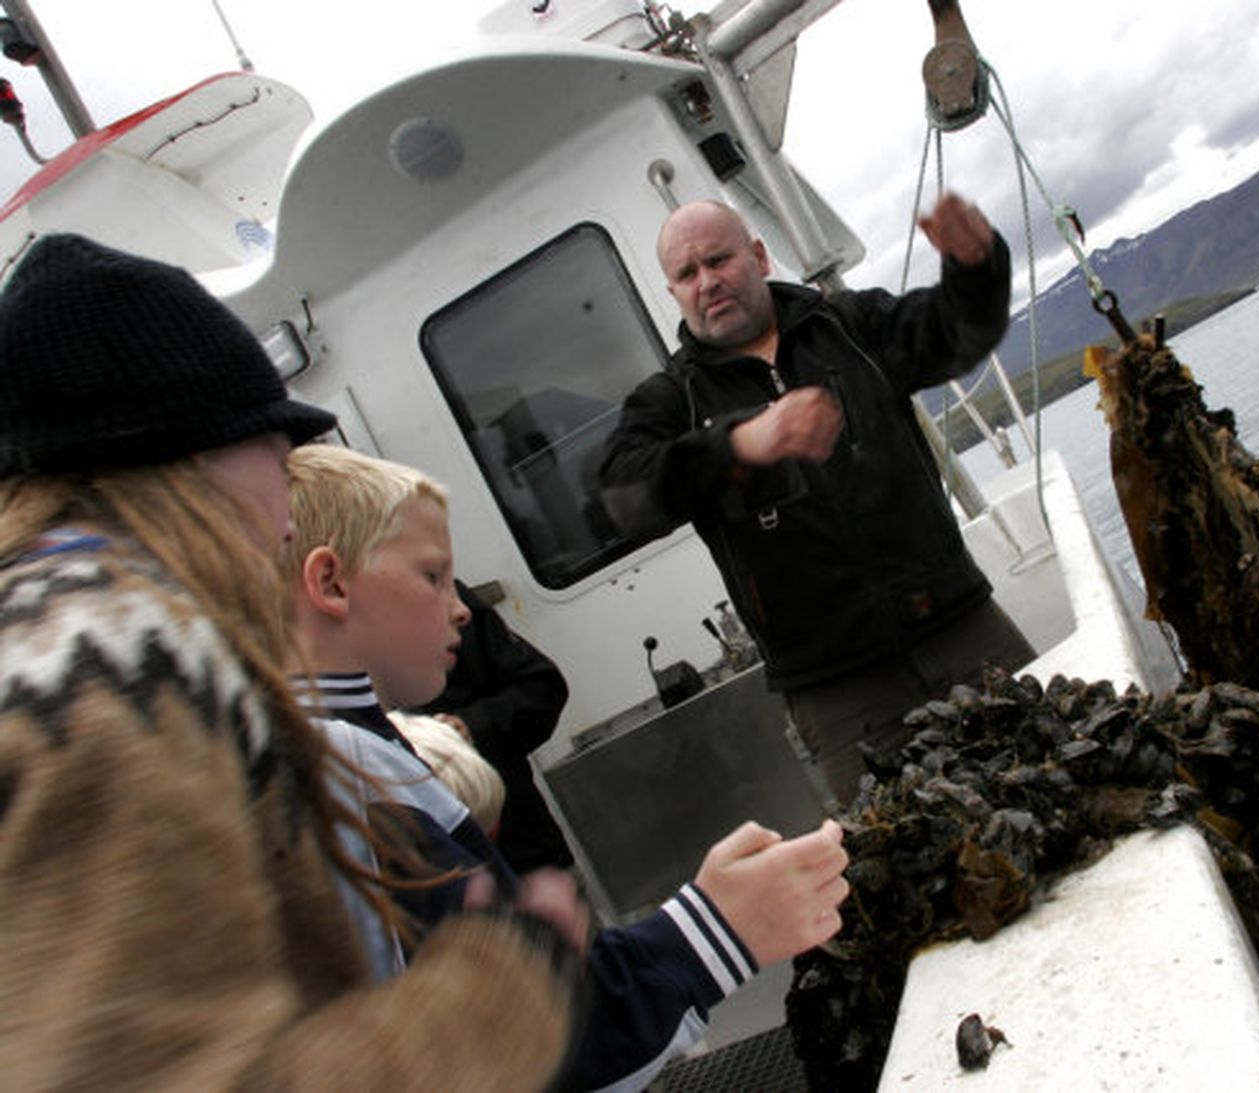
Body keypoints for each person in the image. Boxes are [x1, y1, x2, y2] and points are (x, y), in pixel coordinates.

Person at [0, 233, 578, 1088]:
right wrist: (507, 984)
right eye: (272, 443)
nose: (287, 480)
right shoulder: (111, 660)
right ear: (191, 455)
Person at [283, 441, 850, 1091]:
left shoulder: (336, 750)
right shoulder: (347, 773)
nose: (461, 606)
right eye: (433, 575)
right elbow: (529, 1042)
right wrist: (717, 926)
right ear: (330, 582)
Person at [599, 194, 1035, 802]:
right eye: (687, 274)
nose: (708, 282)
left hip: (963, 629)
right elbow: (621, 498)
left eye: (719, 260)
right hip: (839, 697)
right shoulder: (672, 401)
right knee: (916, 870)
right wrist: (738, 445)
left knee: (1065, 775)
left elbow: (959, 333)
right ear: (672, 293)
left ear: (758, 255)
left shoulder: (850, 326)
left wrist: (976, 264)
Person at [411, 578, 576, 871]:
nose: (460, 613)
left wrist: (470, 727)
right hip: (445, 891)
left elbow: (542, 686)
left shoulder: (443, 593)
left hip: (528, 856)